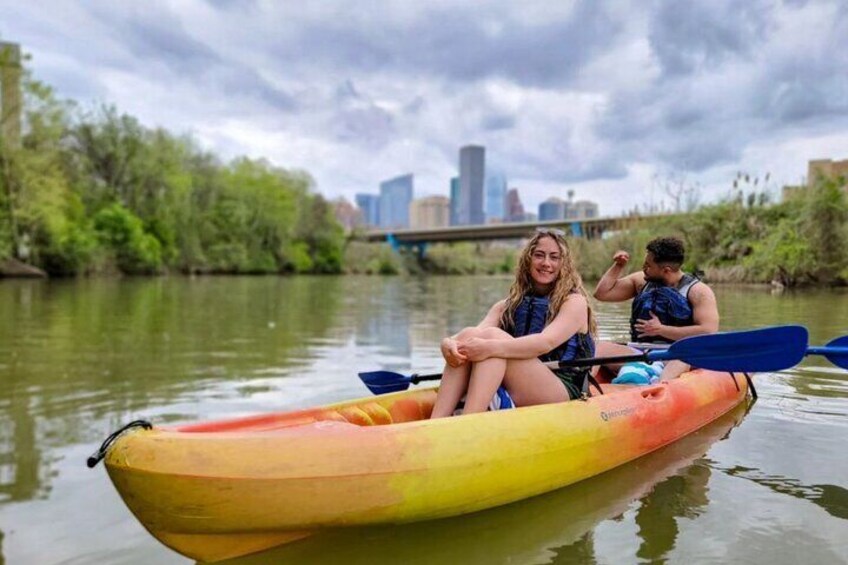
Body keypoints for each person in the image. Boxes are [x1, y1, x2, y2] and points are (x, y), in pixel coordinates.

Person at [430, 228, 596, 418]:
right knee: (469, 335)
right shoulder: (506, 306)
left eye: (554, 257)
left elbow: (545, 343)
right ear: (528, 259)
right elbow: (474, 333)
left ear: (564, 264)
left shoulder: (574, 302)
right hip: (522, 383)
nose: (546, 263)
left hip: (561, 388)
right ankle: (436, 421)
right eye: (539, 255)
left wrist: (491, 347)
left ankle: (469, 421)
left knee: (492, 341)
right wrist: (448, 343)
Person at [592, 236, 719, 381]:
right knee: (599, 347)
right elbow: (602, 294)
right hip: (639, 351)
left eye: (648, 265)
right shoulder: (641, 281)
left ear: (666, 270)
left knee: (683, 358)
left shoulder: (698, 291)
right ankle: (581, 387)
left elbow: (708, 331)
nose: (643, 268)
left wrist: (662, 330)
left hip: (675, 354)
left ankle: (659, 387)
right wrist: (618, 266)